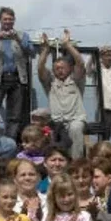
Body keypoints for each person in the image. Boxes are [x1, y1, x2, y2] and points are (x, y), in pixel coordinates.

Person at [0, 6, 35, 141]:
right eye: (5, 19)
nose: (8, 22)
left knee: (15, 115)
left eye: (10, 19)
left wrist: (19, 40)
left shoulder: (22, 36)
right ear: (0, 20)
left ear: (14, 20)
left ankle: (10, 142)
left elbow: (32, 52)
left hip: (17, 78)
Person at [38, 30, 87, 159]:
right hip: (57, 122)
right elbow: (40, 69)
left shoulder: (76, 81)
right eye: (56, 68)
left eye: (62, 67)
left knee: (75, 128)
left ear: (70, 68)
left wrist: (67, 45)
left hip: (75, 120)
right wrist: (46, 50)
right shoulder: (51, 83)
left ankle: (75, 164)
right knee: (45, 133)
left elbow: (81, 64)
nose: (59, 70)